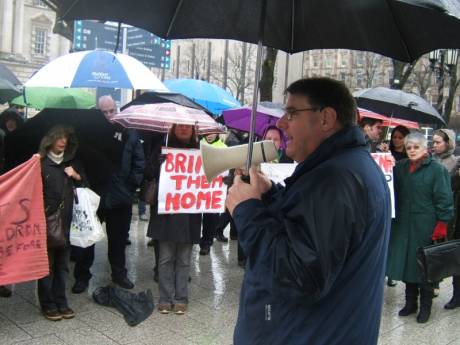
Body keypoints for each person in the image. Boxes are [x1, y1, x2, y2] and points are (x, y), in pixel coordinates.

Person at [225, 77, 391, 345]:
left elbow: (299, 277)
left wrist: (248, 211)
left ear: (326, 118)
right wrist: (268, 195)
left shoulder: (334, 179)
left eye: (291, 113)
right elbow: (306, 231)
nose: (281, 124)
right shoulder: (342, 168)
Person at [72, 95, 145, 293]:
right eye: (104, 112)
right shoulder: (87, 133)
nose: (108, 115)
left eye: (111, 110)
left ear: (117, 109)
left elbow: (139, 161)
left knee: (118, 238)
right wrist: (84, 183)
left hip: (120, 194)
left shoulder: (128, 131)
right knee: (87, 238)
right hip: (93, 194)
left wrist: (130, 186)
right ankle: (82, 276)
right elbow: (78, 159)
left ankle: (119, 273)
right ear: (98, 111)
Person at [386, 132, 453, 323]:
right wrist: (385, 161)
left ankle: (425, 306)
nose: (412, 150)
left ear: (425, 148)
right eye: (409, 147)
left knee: (424, 267)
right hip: (403, 224)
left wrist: (442, 223)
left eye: (416, 147)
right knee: (408, 264)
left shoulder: (436, 170)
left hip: (425, 224)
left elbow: (444, 198)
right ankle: (410, 303)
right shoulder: (400, 168)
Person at [148, 124, 202, 315]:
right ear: (173, 128)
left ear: (193, 130)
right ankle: (164, 298)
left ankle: (181, 298)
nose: (184, 129)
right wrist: (159, 163)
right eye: (179, 126)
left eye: (188, 126)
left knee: (184, 260)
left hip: (189, 214)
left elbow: (211, 176)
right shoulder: (161, 147)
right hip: (166, 213)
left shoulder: (201, 151)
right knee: (165, 258)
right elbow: (148, 173)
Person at [38, 125, 86, 321]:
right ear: (50, 139)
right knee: (46, 267)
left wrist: (76, 176)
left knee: (63, 266)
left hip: (68, 223)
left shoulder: (72, 162)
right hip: (47, 223)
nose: (63, 141)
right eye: (59, 137)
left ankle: (61, 301)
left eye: (65, 137)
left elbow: (85, 188)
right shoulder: (40, 164)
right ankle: (47, 304)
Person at [431, 129, 460, 308]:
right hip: (448, 214)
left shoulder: (455, 162)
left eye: (438, 142)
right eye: (432, 142)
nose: (434, 145)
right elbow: (452, 187)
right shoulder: (432, 161)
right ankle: (438, 284)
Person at [200, 133, 228, 255]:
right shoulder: (198, 145)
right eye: (207, 132)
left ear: (217, 132)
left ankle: (206, 243)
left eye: (212, 132)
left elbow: (228, 167)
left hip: (212, 190)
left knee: (210, 217)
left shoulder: (224, 148)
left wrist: (228, 178)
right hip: (195, 187)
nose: (209, 135)